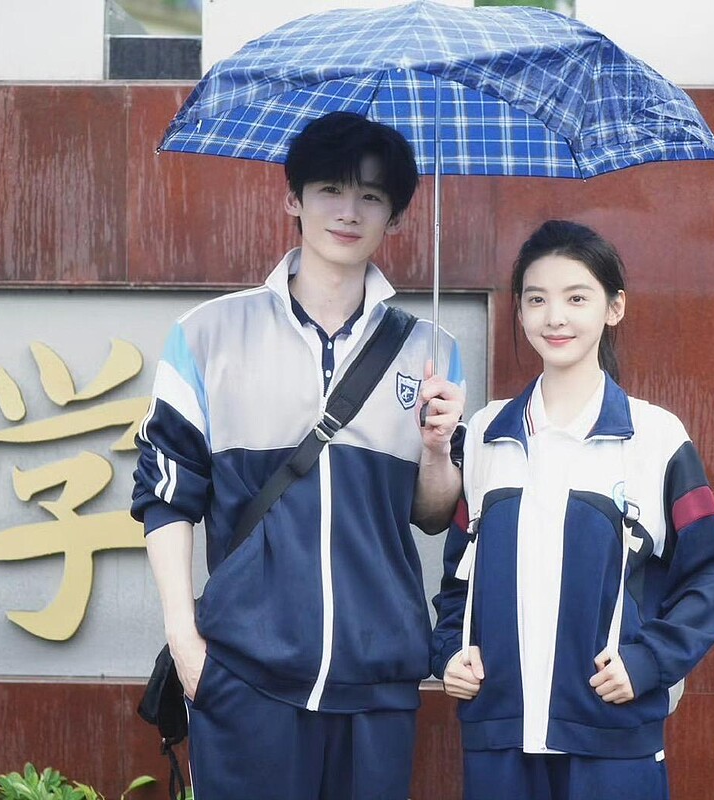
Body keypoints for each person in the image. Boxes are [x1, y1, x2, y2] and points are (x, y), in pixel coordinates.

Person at [131, 111, 465, 800]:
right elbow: (166, 497)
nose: (349, 211)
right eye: (330, 190)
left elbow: (433, 515)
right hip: (246, 673)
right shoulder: (208, 335)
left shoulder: (431, 351)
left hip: (378, 680)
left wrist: (437, 451)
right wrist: (185, 643)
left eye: (371, 196)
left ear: (396, 216)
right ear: (294, 199)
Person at [431, 220, 714, 800]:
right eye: (537, 299)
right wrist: (449, 652)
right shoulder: (487, 435)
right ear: (519, 310)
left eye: (576, 298)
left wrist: (649, 661)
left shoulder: (656, 437)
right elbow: (458, 578)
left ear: (614, 307)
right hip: (500, 730)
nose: (555, 318)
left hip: (612, 734)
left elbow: (713, 571)